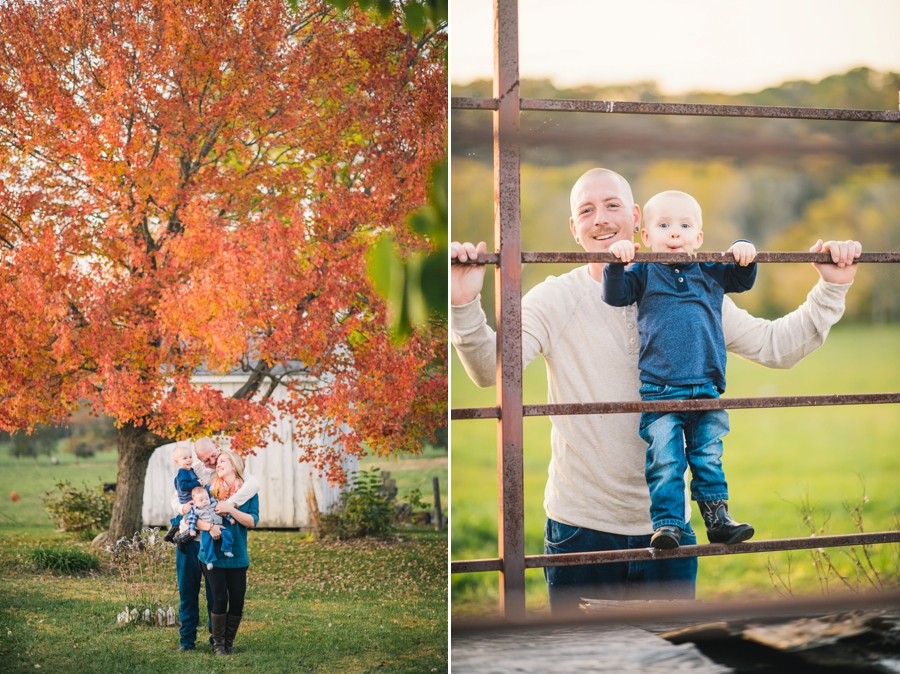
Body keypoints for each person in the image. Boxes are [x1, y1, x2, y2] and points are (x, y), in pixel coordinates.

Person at [450, 168, 862, 614]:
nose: (601, 219)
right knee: (582, 661)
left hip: (672, 527)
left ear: (636, 217)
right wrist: (463, 303)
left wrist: (831, 288)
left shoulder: (695, 289)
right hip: (582, 528)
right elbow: (490, 371)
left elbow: (776, 347)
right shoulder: (554, 300)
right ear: (574, 228)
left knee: (670, 657)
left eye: (611, 205)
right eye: (586, 210)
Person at [602, 190, 757, 550]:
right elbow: (615, 294)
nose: (675, 233)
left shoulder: (710, 270)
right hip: (660, 388)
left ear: (698, 238)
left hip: (706, 385)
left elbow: (742, 279)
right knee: (665, 458)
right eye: (664, 225)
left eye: (685, 226)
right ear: (645, 237)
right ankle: (669, 524)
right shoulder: (642, 272)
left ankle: (718, 519)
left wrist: (745, 251)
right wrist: (615, 263)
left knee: (708, 455)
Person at [170, 438, 260, 652]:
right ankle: (187, 641)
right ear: (199, 458)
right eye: (207, 458)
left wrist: (229, 506)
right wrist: (186, 512)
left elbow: (254, 485)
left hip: (212, 543)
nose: (213, 461)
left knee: (215, 593)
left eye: (215, 456)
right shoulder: (193, 470)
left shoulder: (229, 469)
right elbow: (176, 501)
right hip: (191, 539)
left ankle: (216, 641)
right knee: (188, 592)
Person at [200, 449, 259, 657]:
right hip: (212, 554)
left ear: (234, 465)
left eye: (223, 461)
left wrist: (230, 508)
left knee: (237, 600)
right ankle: (218, 645)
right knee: (218, 598)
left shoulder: (248, 494)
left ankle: (229, 642)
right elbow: (195, 517)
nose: (219, 464)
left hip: (237, 555)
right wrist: (209, 527)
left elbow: (252, 521)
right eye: (218, 462)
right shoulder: (209, 490)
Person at [188, 486, 235, 569]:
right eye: (201, 500)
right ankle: (209, 560)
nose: (205, 501)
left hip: (220, 525)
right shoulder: (195, 509)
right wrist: (191, 529)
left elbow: (222, 512)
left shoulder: (214, 503)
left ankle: (226, 549)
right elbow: (192, 520)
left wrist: (230, 518)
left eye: (206, 499)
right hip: (206, 530)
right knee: (206, 544)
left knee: (228, 534)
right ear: (195, 502)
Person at [164, 444, 202, 542]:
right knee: (194, 518)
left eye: (190, 457)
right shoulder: (182, 472)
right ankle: (180, 538)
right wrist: (197, 483)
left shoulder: (189, 470)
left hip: (190, 498)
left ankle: (172, 529)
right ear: (177, 462)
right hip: (187, 499)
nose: (189, 460)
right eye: (185, 458)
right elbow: (183, 486)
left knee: (186, 516)